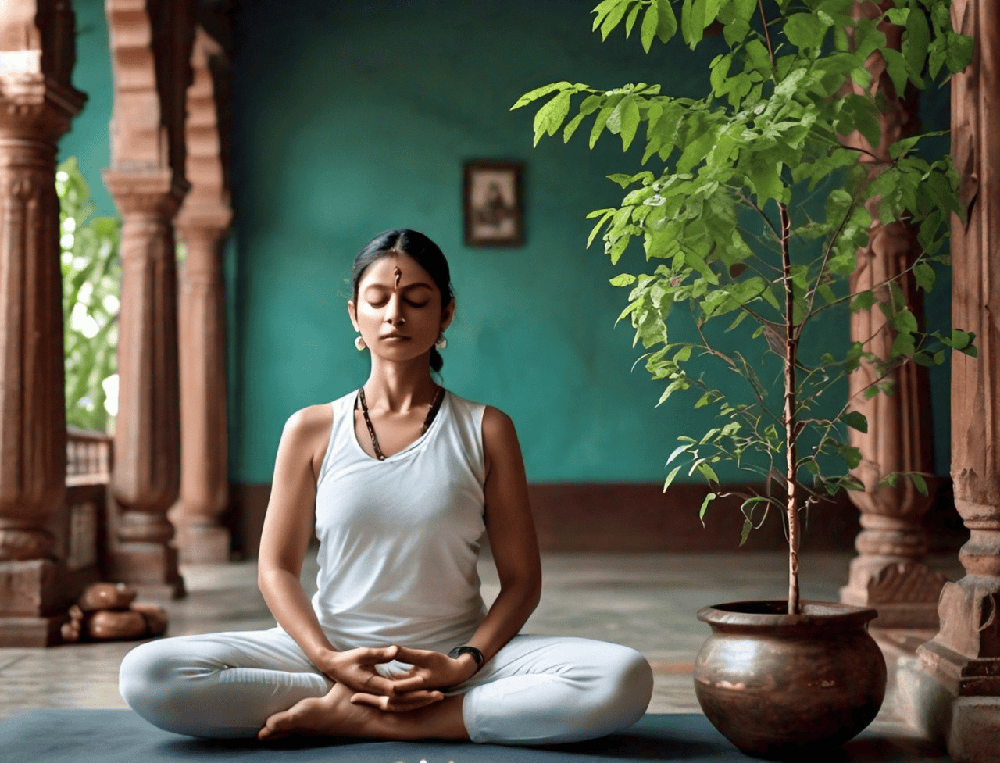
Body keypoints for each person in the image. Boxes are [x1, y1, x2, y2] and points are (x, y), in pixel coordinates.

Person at [118, 228, 653, 744]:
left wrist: (464, 662)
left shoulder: (486, 429)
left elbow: (521, 582)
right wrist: (330, 661)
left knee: (620, 677)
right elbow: (275, 570)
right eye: (378, 300)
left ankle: (385, 718)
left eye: (417, 300)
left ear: (446, 313)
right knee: (149, 672)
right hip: (321, 655)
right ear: (355, 313)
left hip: (449, 662)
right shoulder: (310, 429)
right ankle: (357, 696)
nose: (395, 314)